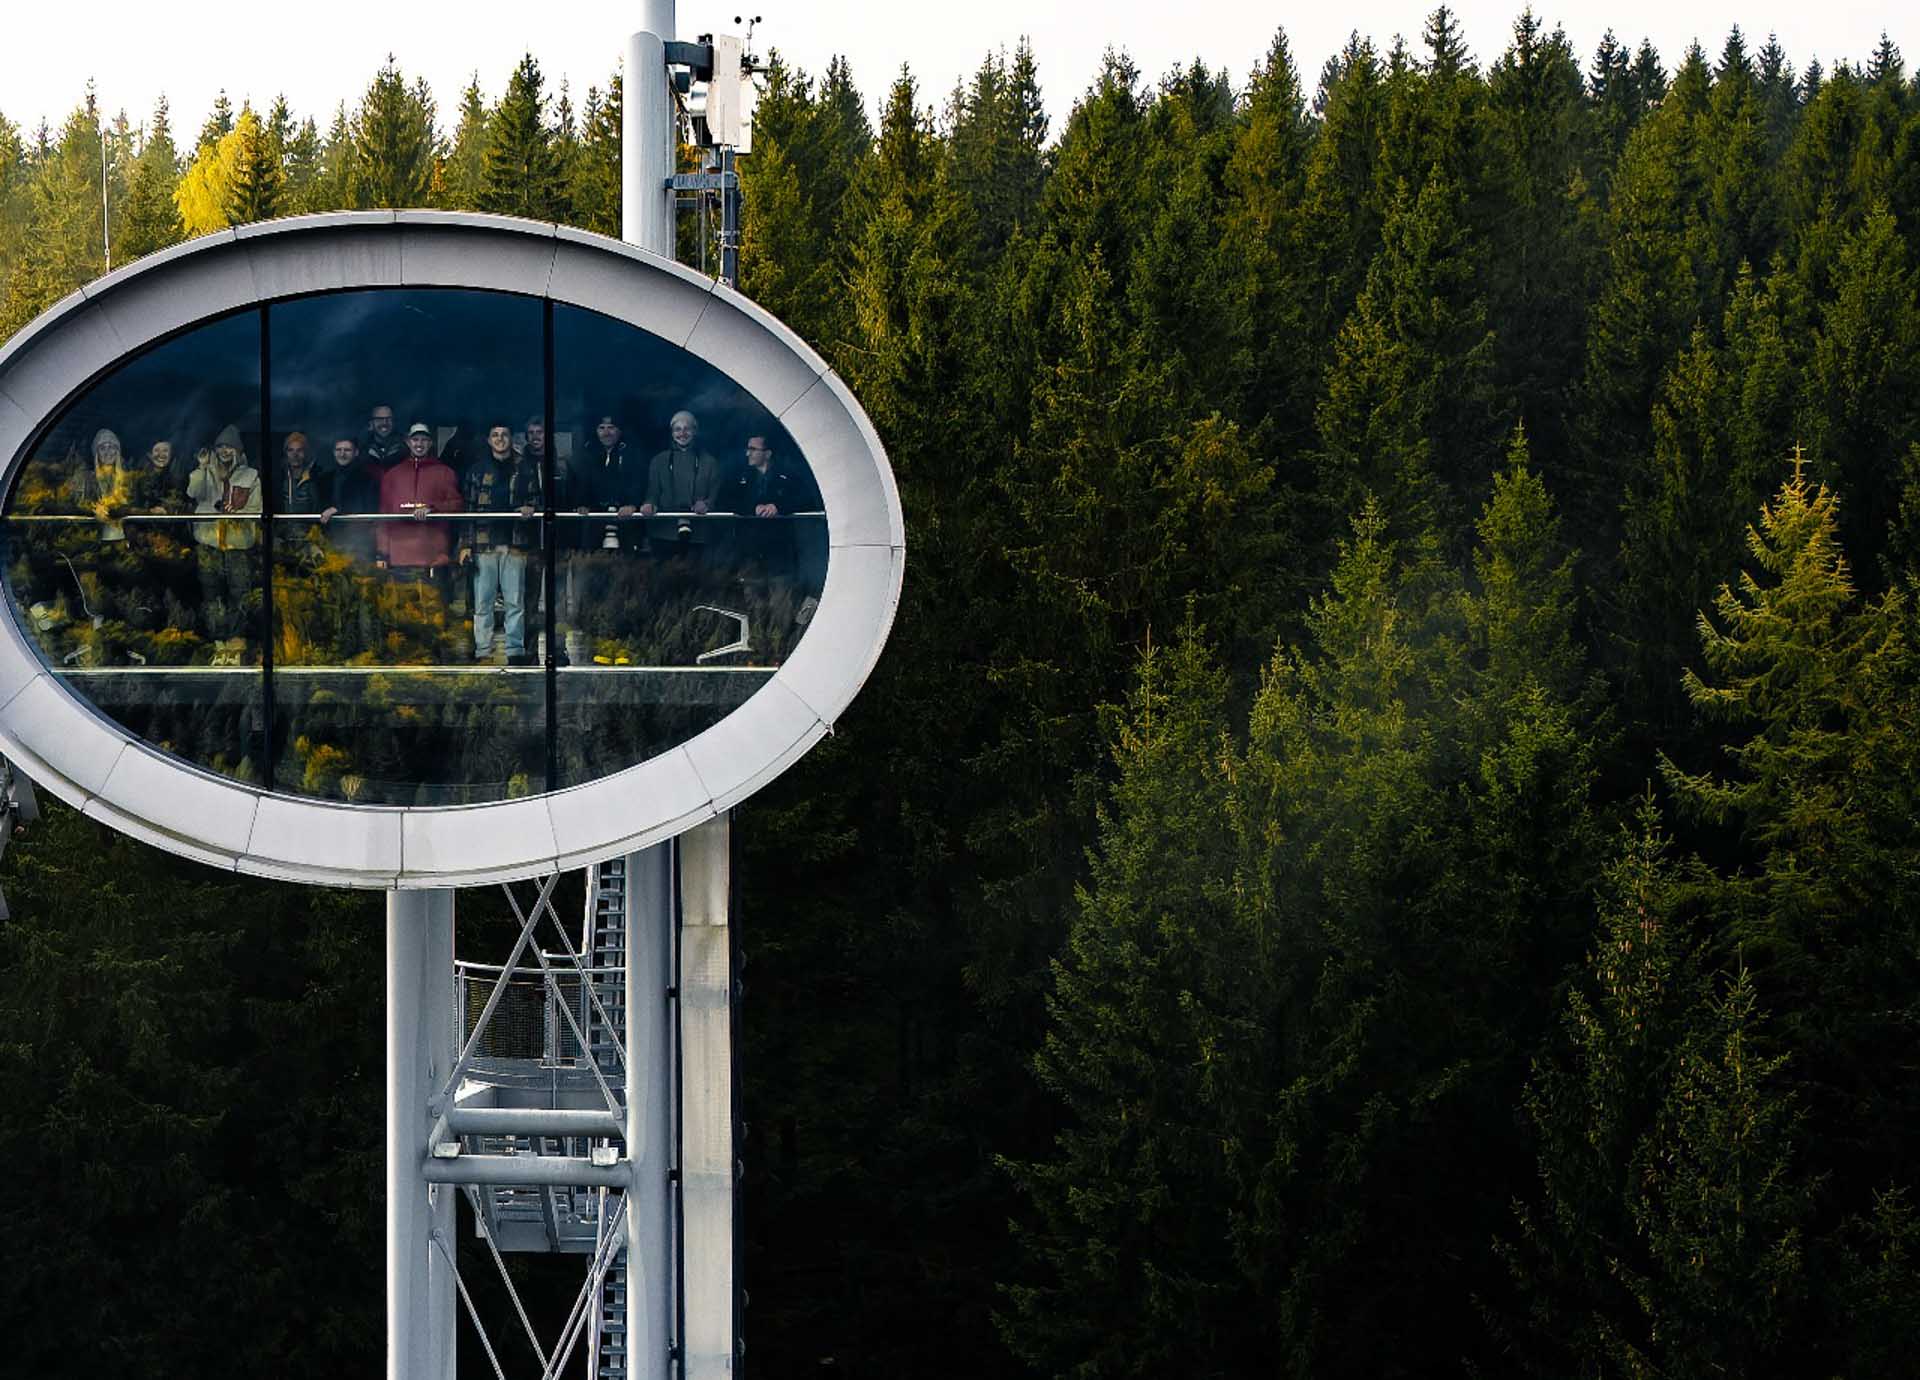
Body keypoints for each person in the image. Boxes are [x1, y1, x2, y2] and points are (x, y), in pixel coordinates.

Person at [459, 420, 542, 664]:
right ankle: (483, 650)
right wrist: (465, 544)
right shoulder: (476, 470)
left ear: (510, 438)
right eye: (495, 435)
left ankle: (514, 651)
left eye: (504, 434)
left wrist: (531, 508)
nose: (500, 439)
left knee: (515, 601)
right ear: (488, 440)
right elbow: (468, 510)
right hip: (484, 545)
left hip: (516, 544)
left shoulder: (526, 468)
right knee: (482, 603)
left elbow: (538, 500)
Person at [186, 424, 261, 642]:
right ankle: (216, 639)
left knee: (239, 593)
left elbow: (257, 509)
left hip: (238, 545)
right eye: (220, 447)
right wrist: (201, 467)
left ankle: (237, 639)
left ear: (238, 449)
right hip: (208, 543)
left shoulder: (250, 475)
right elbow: (193, 492)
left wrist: (238, 515)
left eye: (229, 447)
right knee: (211, 594)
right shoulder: (204, 472)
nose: (225, 451)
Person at [375, 423, 463, 575]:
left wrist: (432, 508)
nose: (419, 444)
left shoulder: (445, 472)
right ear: (408, 442)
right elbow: (383, 515)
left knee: (434, 599)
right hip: (398, 557)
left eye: (424, 440)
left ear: (430, 443)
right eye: (415, 440)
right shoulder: (392, 475)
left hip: (433, 556)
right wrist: (382, 553)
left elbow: (457, 504)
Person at [641, 410, 722, 540]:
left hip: (700, 533)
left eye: (687, 429)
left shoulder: (710, 462)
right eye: (677, 429)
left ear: (695, 431)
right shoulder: (658, 460)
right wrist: (649, 504)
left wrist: (707, 504)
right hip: (664, 532)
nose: (682, 434)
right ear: (672, 433)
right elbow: (652, 492)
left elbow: (716, 495)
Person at [317, 437, 381, 562]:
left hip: (359, 543)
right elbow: (318, 507)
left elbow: (368, 508)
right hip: (330, 539)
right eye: (339, 450)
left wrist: (338, 510)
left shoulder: (367, 479)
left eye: (347, 450)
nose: (342, 454)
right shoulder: (325, 478)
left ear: (356, 452)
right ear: (334, 452)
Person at [277, 431, 322, 514]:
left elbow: (319, 506)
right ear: (286, 453)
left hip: (309, 525)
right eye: (290, 450)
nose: (295, 455)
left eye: (299, 450)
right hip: (283, 525)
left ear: (306, 452)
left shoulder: (315, 477)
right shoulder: (279, 477)